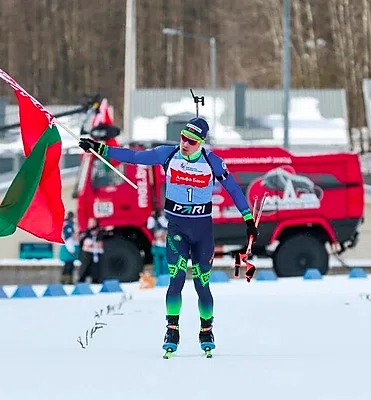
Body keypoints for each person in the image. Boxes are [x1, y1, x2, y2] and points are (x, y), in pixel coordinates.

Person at [78, 117, 258, 355]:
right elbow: (133, 157)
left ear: (201, 143)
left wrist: (248, 219)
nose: (185, 144)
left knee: (203, 285)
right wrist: (99, 148)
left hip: (203, 231)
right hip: (177, 230)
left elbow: (234, 189)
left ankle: (206, 329)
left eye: (191, 141)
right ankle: (172, 329)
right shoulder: (168, 154)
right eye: (183, 137)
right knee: (176, 282)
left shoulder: (212, 162)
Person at [78, 217, 104, 283]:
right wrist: (91, 245)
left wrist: (91, 245)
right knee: (84, 269)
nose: (91, 224)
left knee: (95, 270)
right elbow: (84, 244)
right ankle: (81, 282)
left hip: (95, 255)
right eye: (90, 223)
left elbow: (100, 244)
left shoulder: (99, 231)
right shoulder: (86, 232)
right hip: (86, 255)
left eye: (93, 223)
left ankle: (95, 282)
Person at [147, 209, 168, 277]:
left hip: (161, 245)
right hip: (157, 245)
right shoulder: (153, 221)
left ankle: (163, 276)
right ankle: (161, 276)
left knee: (162, 262)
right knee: (159, 262)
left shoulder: (160, 221)